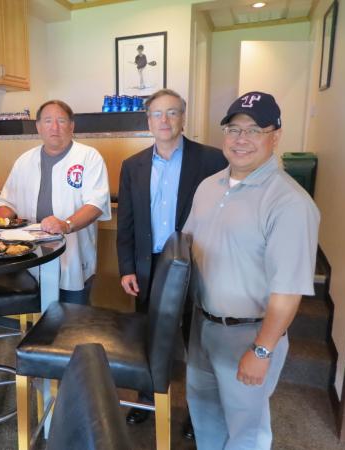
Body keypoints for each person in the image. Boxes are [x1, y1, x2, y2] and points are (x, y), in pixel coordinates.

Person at [183, 91, 320, 449]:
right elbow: (188, 251)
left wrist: (262, 351)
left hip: (248, 335)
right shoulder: (208, 187)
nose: (241, 139)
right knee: (205, 417)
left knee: (247, 431)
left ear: (275, 136)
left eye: (254, 130)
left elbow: (288, 291)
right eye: (233, 129)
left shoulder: (289, 202)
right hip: (202, 328)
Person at [117, 88, 227, 428]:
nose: (164, 120)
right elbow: (128, 221)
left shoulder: (211, 159)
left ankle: (197, 411)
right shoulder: (132, 165)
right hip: (149, 267)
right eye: (157, 114)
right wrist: (126, 268)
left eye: (172, 113)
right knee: (151, 336)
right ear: (148, 120)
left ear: (183, 117)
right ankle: (148, 398)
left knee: (195, 339)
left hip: (195, 263)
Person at [0, 100, 111, 304]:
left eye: (61, 120)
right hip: (30, 254)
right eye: (48, 121)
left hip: (73, 253)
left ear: (72, 126)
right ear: (39, 127)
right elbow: (8, 203)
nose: (54, 127)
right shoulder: (24, 161)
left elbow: (96, 204)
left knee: (73, 319)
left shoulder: (89, 157)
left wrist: (66, 225)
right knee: (38, 314)